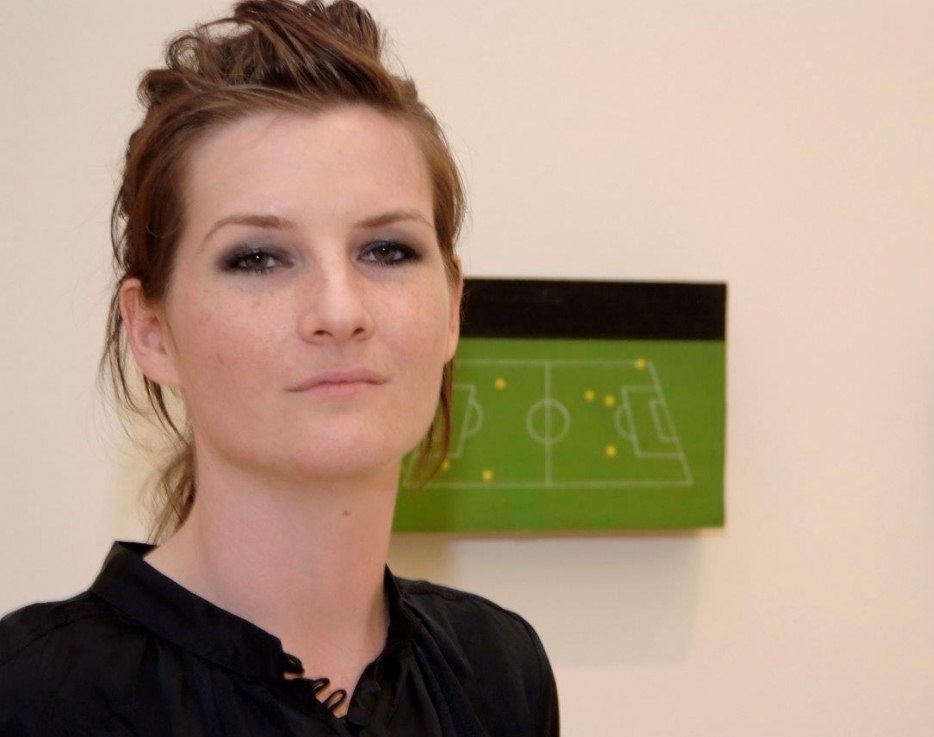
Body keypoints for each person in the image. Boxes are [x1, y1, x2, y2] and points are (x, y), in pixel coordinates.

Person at [0, 1, 559, 734]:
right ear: (152, 330)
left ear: (452, 307)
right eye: (259, 258)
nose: (339, 309)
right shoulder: (32, 696)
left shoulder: (498, 669)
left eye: (387, 250)